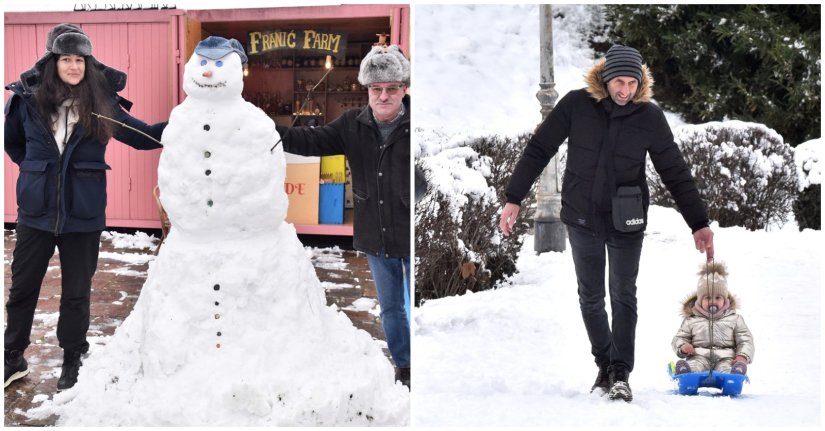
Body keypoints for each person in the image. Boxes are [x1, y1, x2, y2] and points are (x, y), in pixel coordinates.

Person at [499, 45, 715, 402]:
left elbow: (674, 170)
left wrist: (699, 223)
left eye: (632, 83)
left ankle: (620, 371)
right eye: (619, 81)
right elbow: (540, 148)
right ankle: (604, 361)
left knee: (623, 293)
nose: (625, 90)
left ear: (640, 83)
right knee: (591, 296)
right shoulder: (576, 105)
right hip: (581, 216)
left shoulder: (649, 116)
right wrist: (514, 197)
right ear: (605, 78)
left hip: (626, 219)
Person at [4, 23, 166, 391]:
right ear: (52, 63)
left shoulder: (101, 105)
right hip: (36, 214)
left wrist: (194, 124)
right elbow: (13, 145)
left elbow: (145, 138)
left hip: (83, 215)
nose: (74, 66)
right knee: (23, 289)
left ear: (88, 64)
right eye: (66, 59)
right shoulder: (25, 100)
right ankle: (12, 357)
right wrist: (37, 176)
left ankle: (73, 356)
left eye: (80, 59)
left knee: (76, 291)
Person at [275, 44, 411, 387]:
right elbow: (308, 141)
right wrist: (266, 129)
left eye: (391, 88)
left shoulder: (418, 124)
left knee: (418, 305)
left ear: (404, 89)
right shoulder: (352, 124)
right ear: (367, 90)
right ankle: (406, 365)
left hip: (413, 231)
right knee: (392, 308)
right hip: (376, 232)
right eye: (376, 89)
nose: (384, 96)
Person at [672, 261, 753, 375]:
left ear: (725, 299)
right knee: (694, 366)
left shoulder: (735, 319)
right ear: (700, 300)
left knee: (726, 369)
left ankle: (734, 375)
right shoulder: (692, 320)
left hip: (726, 358)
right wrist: (683, 346)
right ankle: (687, 373)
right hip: (698, 356)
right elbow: (679, 337)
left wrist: (742, 356)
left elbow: (745, 340)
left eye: (718, 297)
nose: (713, 301)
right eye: (707, 298)